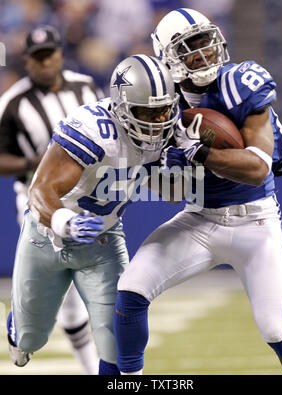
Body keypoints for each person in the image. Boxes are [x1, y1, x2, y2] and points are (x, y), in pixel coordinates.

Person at [113, 8, 282, 376]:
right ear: (168, 57)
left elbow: (257, 168)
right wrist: (161, 168)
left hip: (255, 222)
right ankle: (126, 380)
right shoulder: (160, 102)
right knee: (130, 292)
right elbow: (168, 192)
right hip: (198, 217)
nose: (203, 55)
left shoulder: (238, 83)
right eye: (189, 49)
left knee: (277, 331)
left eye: (206, 43)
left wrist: (201, 152)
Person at [6, 53, 180, 375]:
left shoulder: (169, 131)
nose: (157, 123)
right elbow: (40, 190)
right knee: (31, 337)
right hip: (47, 236)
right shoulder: (93, 129)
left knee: (117, 341)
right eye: (147, 112)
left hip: (103, 240)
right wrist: (65, 222)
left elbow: (173, 193)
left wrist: (182, 172)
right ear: (122, 106)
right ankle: (19, 327)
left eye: (163, 111)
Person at [0, 25, 104, 374]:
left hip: (90, 195)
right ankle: (26, 319)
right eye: (37, 57)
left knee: (105, 283)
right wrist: (36, 164)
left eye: (50, 55)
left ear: (60, 54)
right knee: (69, 295)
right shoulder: (12, 103)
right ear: (27, 61)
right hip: (38, 198)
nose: (45, 63)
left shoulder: (86, 86)